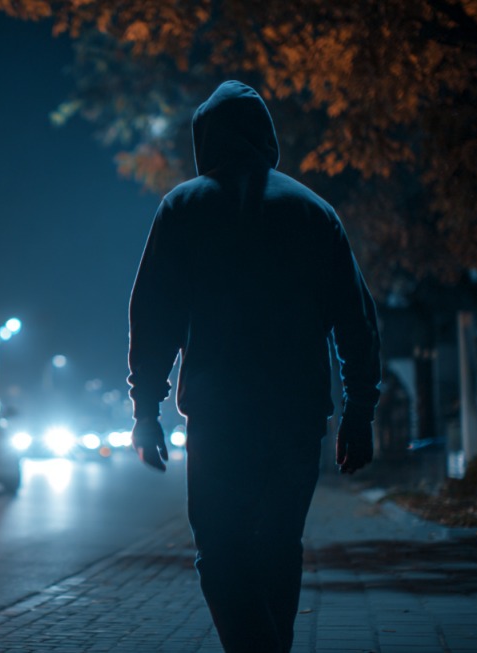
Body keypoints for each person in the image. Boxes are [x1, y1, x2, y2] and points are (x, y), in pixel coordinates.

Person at [126, 80, 381, 653]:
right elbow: (356, 320)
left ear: (205, 140)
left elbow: (153, 319)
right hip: (297, 417)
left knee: (221, 551)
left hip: (219, 417)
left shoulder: (183, 208)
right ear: (266, 136)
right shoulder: (314, 211)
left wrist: (146, 412)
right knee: (278, 548)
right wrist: (359, 412)